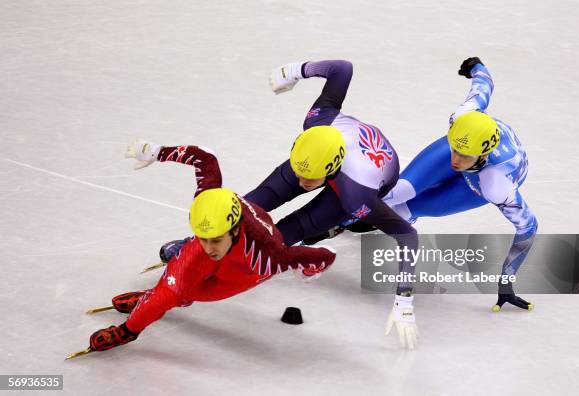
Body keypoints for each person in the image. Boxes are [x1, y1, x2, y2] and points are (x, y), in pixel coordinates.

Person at [160, 60, 419, 349]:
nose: (300, 180)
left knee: (279, 238)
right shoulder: (317, 120)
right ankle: (193, 247)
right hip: (326, 150)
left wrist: (404, 299)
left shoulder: (356, 192)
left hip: (362, 182)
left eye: (308, 179)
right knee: (251, 205)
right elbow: (342, 69)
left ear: (330, 169)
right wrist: (294, 72)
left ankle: (226, 263)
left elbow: (408, 235)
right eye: (298, 172)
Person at [82, 141, 337, 353]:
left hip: (245, 269)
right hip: (238, 247)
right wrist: (156, 152)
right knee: (169, 289)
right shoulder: (208, 199)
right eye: (202, 237)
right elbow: (205, 159)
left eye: (215, 239)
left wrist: (312, 269)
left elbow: (324, 255)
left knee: (193, 292)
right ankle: (130, 330)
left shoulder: (269, 255)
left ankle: (171, 301)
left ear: (235, 229)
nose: (209, 247)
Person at [349, 57, 538, 312]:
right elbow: (483, 88)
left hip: (477, 185)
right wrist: (476, 68)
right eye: (455, 150)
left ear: (482, 154)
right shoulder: (462, 118)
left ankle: (353, 220)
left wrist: (506, 281)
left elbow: (528, 228)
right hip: (472, 148)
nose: (454, 161)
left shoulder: (496, 184)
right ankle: (342, 217)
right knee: (397, 190)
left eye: (463, 155)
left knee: (407, 210)